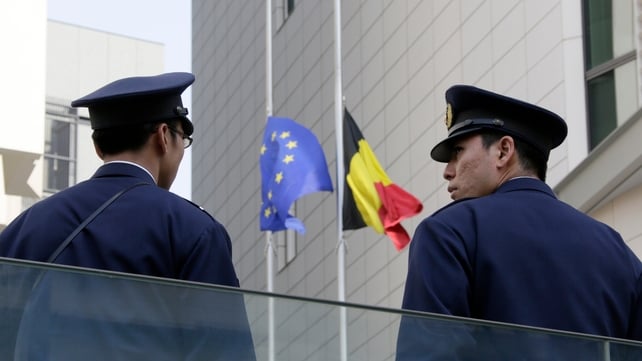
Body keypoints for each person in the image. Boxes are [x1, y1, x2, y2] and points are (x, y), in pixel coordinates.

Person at [0, 72, 256, 360]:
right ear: (163, 137)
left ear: (98, 148)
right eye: (183, 139)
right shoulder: (191, 227)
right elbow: (223, 352)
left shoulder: (25, 226)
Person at [397, 85, 642, 360]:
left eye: (458, 151)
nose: (448, 171)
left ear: (503, 151)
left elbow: (428, 355)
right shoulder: (617, 250)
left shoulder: (448, 232)